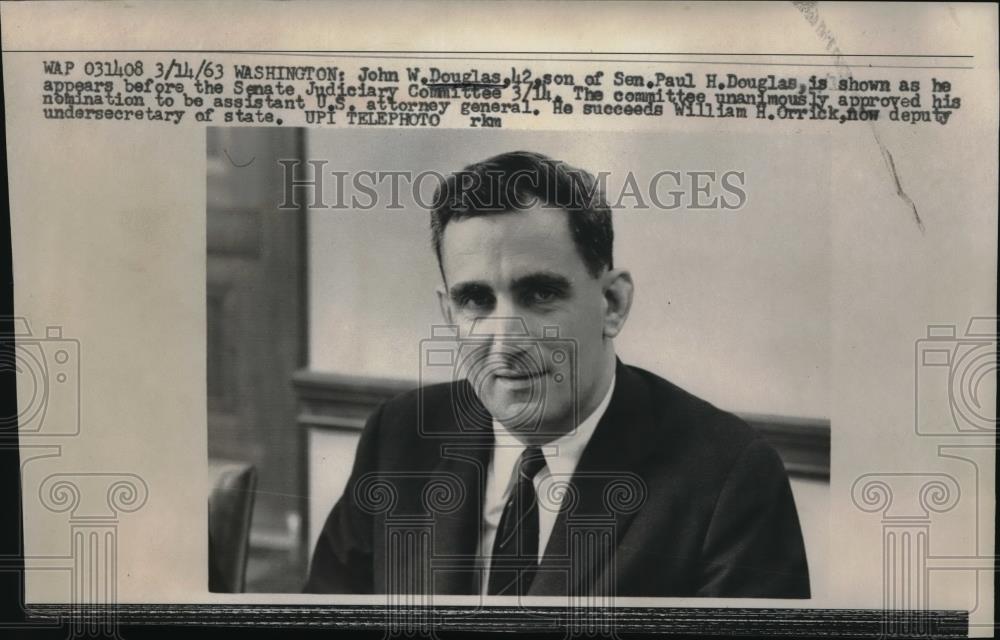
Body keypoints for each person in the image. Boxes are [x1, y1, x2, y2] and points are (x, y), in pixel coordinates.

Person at [304, 151, 810, 598]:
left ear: (612, 303)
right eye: (475, 300)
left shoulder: (728, 480)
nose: (506, 341)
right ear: (448, 312)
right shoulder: (398, 437)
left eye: (540, 294)